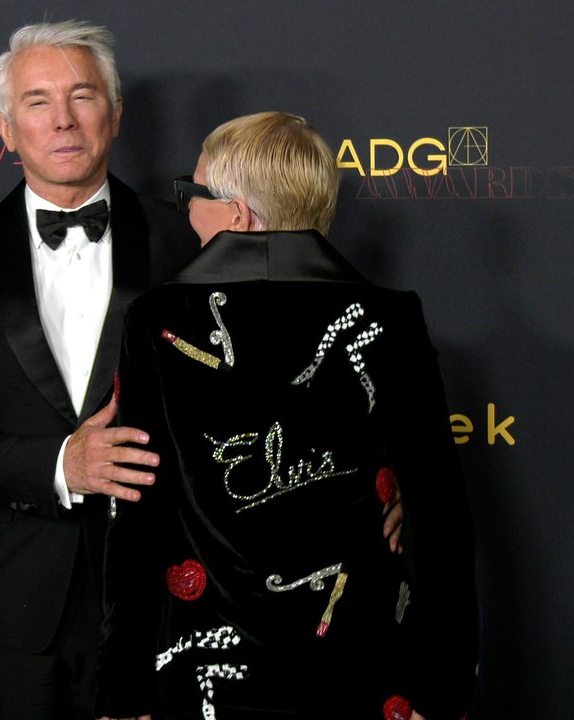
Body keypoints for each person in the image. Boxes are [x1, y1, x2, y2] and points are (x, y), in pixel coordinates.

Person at [96, 112, 478, 720]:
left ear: (237, 215)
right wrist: (446, 687)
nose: (185, 210)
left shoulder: (157, 321)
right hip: (364, 665)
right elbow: (441, 517)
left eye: (193, 195)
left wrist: (124, 689)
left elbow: (136, 516)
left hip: (205, 677)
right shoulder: (392, 317)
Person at [0, 20, 199, 720]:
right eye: (37, 101)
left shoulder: (186, 241)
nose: (62, 119)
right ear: (6, 130)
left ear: (116, 115)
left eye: (82, 95)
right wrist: (64, 464)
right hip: (19, 613)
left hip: (163, 598)